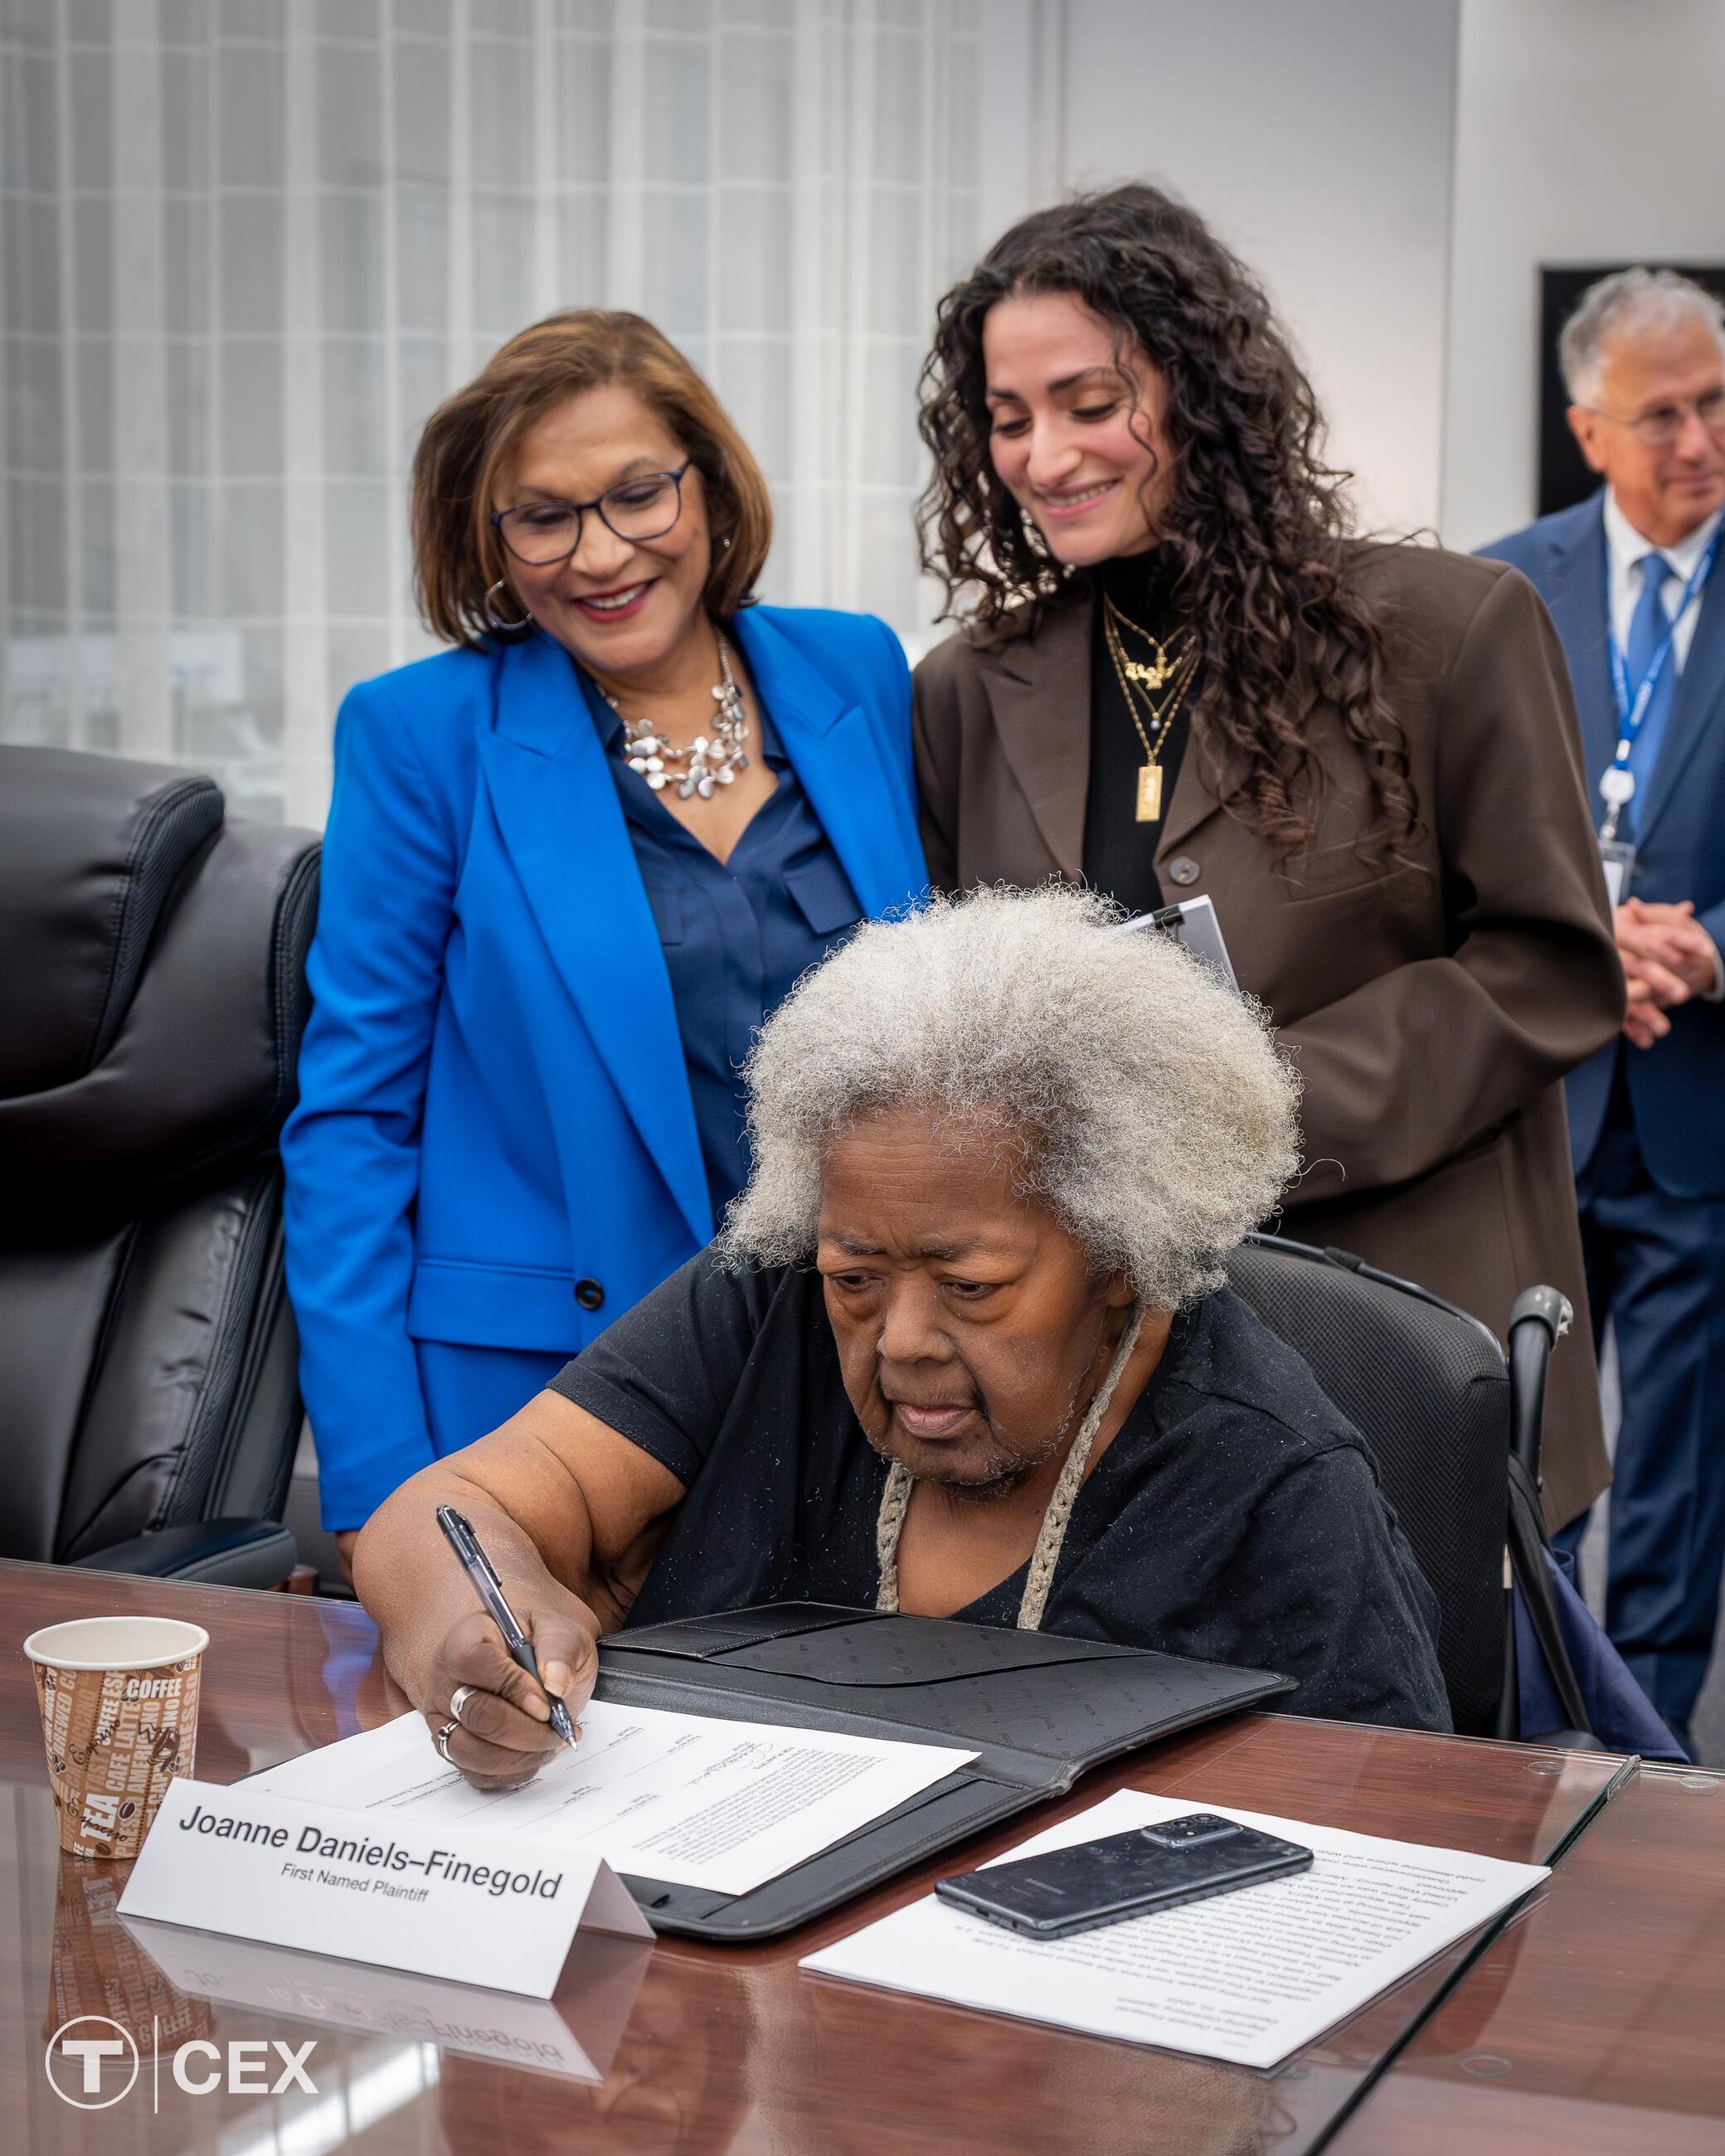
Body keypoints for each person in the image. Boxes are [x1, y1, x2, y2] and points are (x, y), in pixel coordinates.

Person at [353, 886, 1451, 1788]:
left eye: (970, 1287)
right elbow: (444, 1513)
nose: (902, 1342)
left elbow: (1389, 1848)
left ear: (1123, 1258)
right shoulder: (769, 1299)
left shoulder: (1277, 1488)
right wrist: (471, 1633)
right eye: (858, 1280)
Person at [911, 183, 1625, 1536]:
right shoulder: (966, 690)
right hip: (1112, 1388)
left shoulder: (1452, 629)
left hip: (1411, 1351)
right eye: (1008, 419)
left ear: (1200, 392)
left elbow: (1549, 969)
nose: (1044, 455)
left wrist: (1239, 1106)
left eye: (1090, 402)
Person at [282, 310, 926, 1578]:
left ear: (710, 486)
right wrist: (377, 1486)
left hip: (851, 1373)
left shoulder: (855, 671)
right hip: (551, 1397)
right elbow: (354, 1123)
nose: (601, 553)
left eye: (638, 494)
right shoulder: (422, 734)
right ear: (489, 539)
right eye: (544, 517)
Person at [1480, 269, 1725, 1756]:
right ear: (1588, 430)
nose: (1699, 439)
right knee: (1530, 1456)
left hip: (1700, 1116)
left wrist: (1709, 952)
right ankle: (1533, 1746)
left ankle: (1662, 1768)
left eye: (1716, 404)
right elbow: (1455, 841)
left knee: (1684, 1480)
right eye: (1662, 415)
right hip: (1542, 1109)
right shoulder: (1505, 590)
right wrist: (1590, 952)